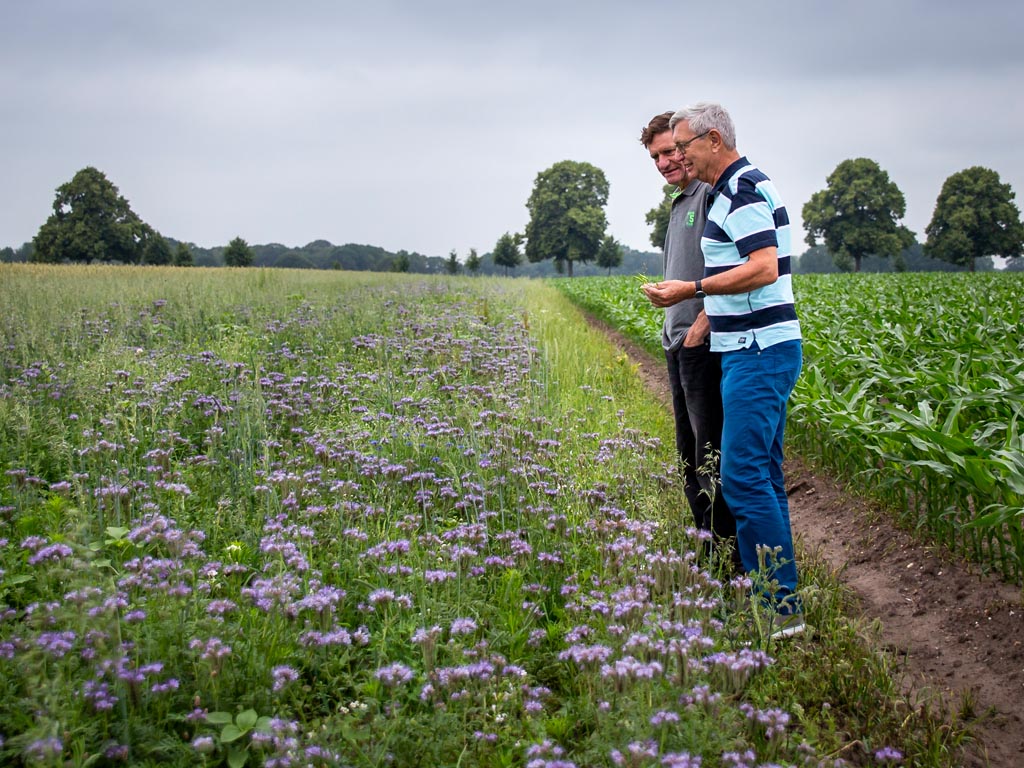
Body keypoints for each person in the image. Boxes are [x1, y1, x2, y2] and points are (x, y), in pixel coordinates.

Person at [657, 102, 804, 637]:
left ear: (712, 139)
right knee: (762, 473)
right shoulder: (738, 187)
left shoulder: (739, 188)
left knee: (741, 475)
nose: (680, 156)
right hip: (756, 345)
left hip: (758, 349)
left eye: (684, 145)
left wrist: (692, 290)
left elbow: (762, 267)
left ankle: (779, 607)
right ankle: (784, 604)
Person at [638, 112, 738, 568]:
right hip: (676, 342)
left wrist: (703, 324)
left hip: (701, 344)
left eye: (669, 151)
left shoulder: (711, 194)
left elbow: (731, 268)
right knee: (686, 454)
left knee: (708, 453)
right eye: (655, 155)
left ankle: (728, 556)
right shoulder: (681, 201)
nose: (663, 161)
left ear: (689, 146)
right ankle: (707, 552)